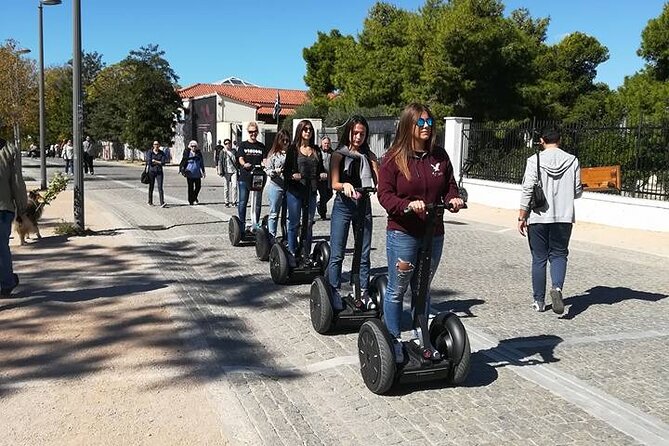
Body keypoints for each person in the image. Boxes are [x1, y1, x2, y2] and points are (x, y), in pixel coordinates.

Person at [377, 103, 464, 362]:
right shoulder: (393, 158)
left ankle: (420, 336)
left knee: (423, 289)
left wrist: (454, 198)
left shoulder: (439, 155)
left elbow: (450, 185)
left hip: (434, 232)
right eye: (421, 123)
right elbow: (385, 194)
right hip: (403, 233)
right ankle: (393, 341)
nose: (427, 127)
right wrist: (405, 205)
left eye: (430, 122)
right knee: (397, 289)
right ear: (409, 125)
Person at [518, 127, 582, 314]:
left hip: (538, 216)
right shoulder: (572, 160)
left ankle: (539, 301)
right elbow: (577, 191)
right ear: (559, 140)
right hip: (564, 216)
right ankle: (557, 288)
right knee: (559, 254)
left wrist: (522, 215)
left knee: (539, 258)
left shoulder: (534, 160)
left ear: (542, 141)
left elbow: (528, 188)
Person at [326, 116, 379, 309]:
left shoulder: (369, 155)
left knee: (363, 252)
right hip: (343, 205)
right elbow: (334, 183)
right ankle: (333, 291)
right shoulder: (339, 154)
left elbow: (379, 179)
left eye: (362, 134)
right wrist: (345, 185)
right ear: (348, 131)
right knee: (337, 252)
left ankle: (362, 291)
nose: (358, 137)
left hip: (363, 205)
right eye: (355, 133)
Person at [283, 120, 325, 262]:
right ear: (300, 131)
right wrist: (293, 175)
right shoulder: (293, 149)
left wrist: (323, 174)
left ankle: (306, 252)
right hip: (295, 191)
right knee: (294, 222)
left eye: (310, 130)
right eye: (305, 129)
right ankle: (292, 251)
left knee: (308, 223)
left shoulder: (316, 150)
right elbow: (286, 171)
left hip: (311, 191)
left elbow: (321, 169)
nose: (308, 132)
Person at [0, 136, 28, 297]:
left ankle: (7, 281)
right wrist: (21, 208)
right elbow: (17, 182)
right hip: (3, 208)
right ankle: (6, 283)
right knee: (2, 247)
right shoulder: (9, 150)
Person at [237, 122, 267, 232]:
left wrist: (265, 164)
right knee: (243, 202)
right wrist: (244, 164)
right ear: (248, 132)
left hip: (257, 177)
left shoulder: (261, 146)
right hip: (245, 178)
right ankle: (241, 224)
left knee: (257, 202)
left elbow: (264, 159)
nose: (253, 134)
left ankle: (256, 224)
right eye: (250, 132)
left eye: (254, 131)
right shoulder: (243, 145)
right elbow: (240, 158)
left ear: (257, 132)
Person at [264, 129, 291, 239]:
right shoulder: (273, 154)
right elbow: (267, 170)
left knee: (289, 214)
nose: (285, 142)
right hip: (276, 186)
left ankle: (288, 236)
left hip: (289, 187)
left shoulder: (292, 153)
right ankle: (271, 237)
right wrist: (275, 172)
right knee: (274, 213)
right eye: (283, 140)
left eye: (287, 140)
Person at [180, 140, 206, 205]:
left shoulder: (198, 154)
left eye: (194, 146)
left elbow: (201, 163)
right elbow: (183, 161)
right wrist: (183, 170)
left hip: (197, 173)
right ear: (190, 147)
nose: (193, 148)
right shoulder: (187, 153)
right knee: (190, 188)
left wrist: (203, 171)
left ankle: (194, 197)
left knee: (198, 187)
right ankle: (190, 200)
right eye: (192, 146)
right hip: (189, 173)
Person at [146, 140, 168, 207]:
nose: (156, 146)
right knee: (151, 187)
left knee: (160, 187)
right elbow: (149, 162)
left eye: (157, 144)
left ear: (159, 145)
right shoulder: (150, 152)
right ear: (153, 145)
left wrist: (155, 161)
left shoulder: (161, 153)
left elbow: (163, 162)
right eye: (155, 144)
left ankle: (162, 202)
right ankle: (150, 202)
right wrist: (159, 162)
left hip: (159, 172)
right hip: (151, 172)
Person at [317, 136, 334, 220]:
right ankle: (323, 214)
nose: (326, 145)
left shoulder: (333, 153)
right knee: (323, 195)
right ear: (321, 143)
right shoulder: (318, 152)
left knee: (330, 194)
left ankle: (320, 205)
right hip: (321, 178)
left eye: (328, 143)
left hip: (330, 178)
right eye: (325, 143)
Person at [218, 139, 238, 207]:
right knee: (226, 187)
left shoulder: (234, 151)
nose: (228, 144)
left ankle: (234, 201)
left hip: (234, 171)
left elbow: (237, 160)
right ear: (224, 144)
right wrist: (220, 171)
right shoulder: (222, 152)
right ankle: (226, 202)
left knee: (234, 186)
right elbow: (220, 162)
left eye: (229, 143)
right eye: (226, 143)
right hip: (226, 171)